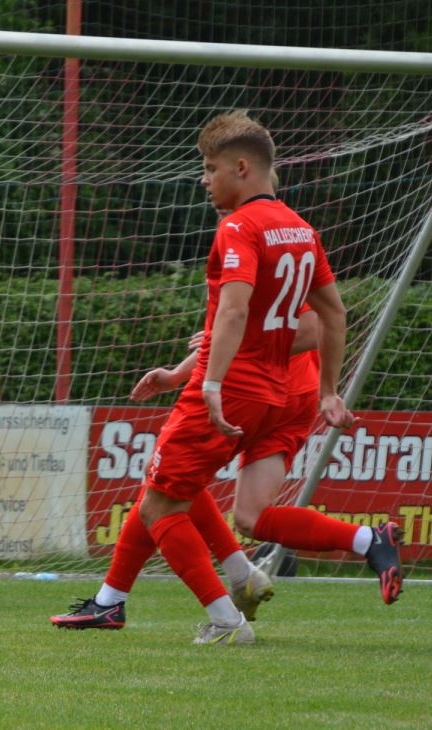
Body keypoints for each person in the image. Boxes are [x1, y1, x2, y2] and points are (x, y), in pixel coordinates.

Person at [127, 110, 402, 645]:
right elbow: (334, 313)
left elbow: (234, 312)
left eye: (210, 168)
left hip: (232, 389)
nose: (204, 180)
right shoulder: (301, 229)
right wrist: (328, 392)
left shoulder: (239, 226)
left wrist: (207, 384)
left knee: (160, 504)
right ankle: (361, 543)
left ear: (242, 167)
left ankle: (226, 622)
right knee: (246, 515)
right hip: (277, 394)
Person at [52, 313, 317, 630]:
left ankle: (226, 619)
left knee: (163, 498)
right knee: (164, 483)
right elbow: (326, 318)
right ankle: (236, 574)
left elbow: (241, 319)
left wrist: (220, 355)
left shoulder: (245, 278)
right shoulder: (293, 283)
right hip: (264, 391)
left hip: (227, 389)